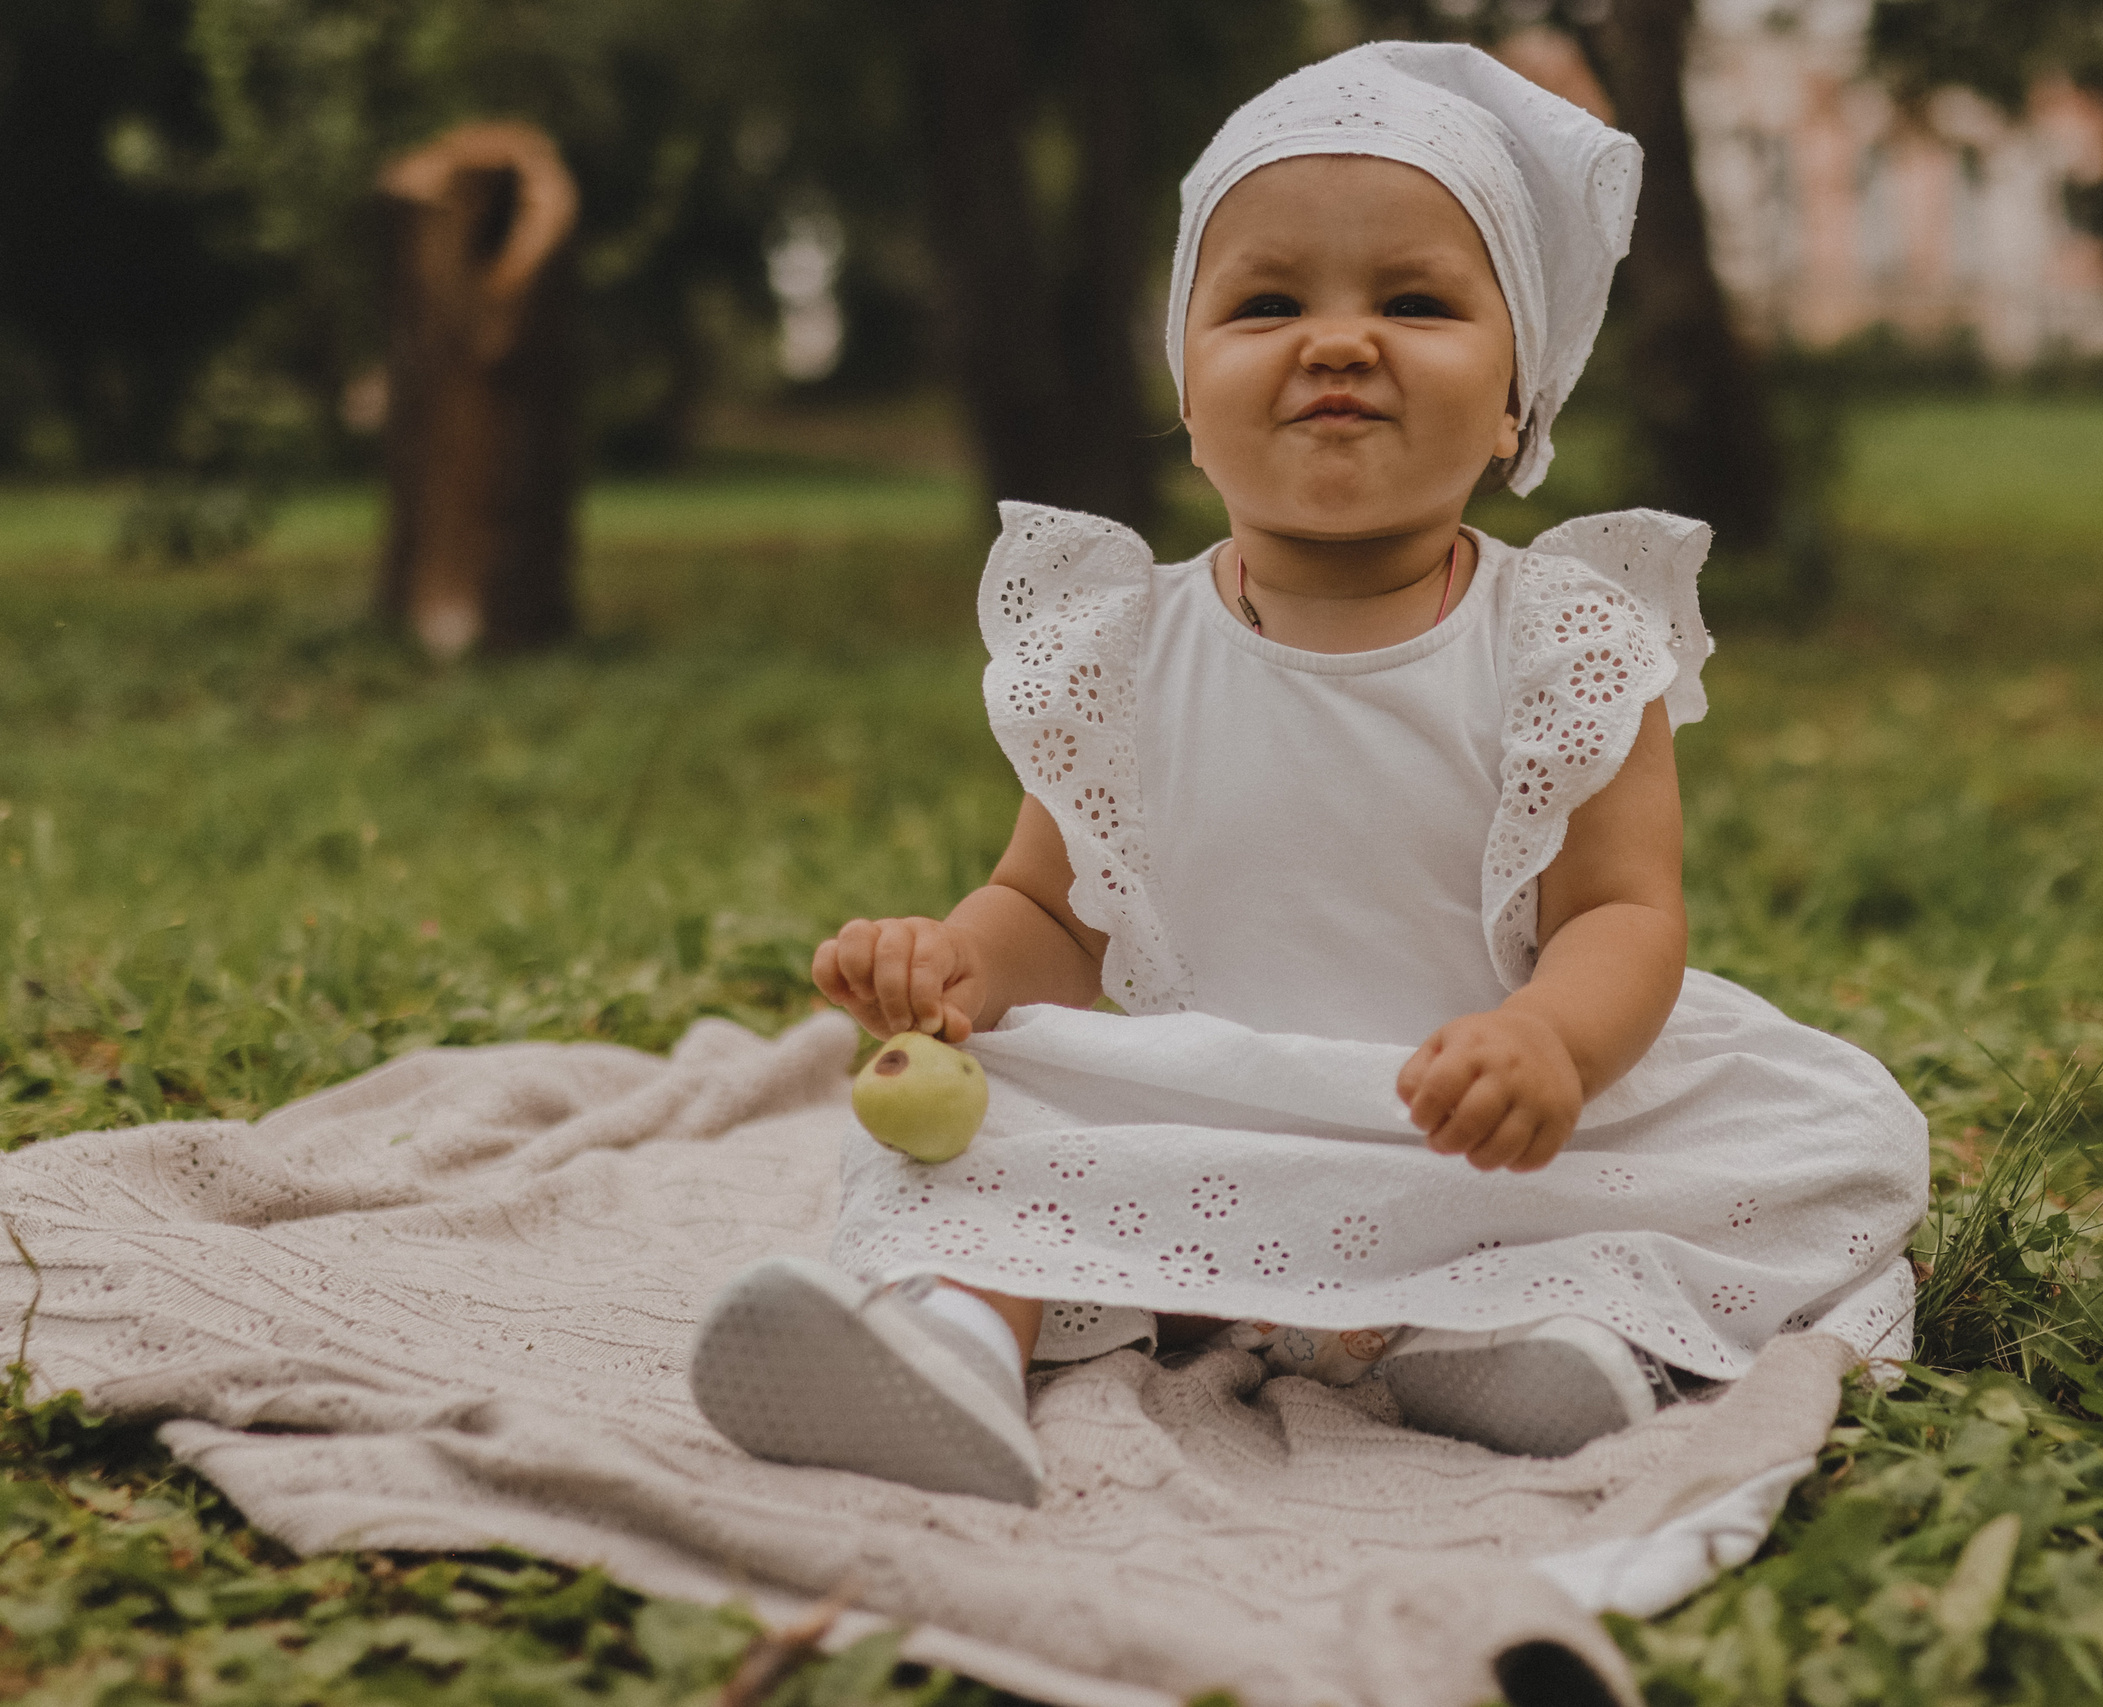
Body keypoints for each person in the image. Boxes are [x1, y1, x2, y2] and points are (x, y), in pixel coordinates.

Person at [687, 41, 1928, 1507]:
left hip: (1475, 1121)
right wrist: (955, 960)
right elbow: (1056, 909)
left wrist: (1554, 1045)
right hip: (1202, 1100)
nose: (1337, 344)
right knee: (988, 1112)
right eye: (1267, 304)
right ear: (1191, 401)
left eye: (1414, 302)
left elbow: (1625, 916)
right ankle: (952, 1343)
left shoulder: (1566, 642)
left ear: (1519, 406)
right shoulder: (1117, 648)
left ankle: (1540, 1334)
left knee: (1826, 1142)